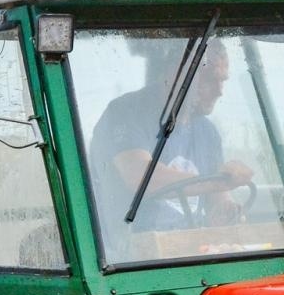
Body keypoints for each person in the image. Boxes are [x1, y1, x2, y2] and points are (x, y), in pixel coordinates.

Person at [88, 38, 253, 233]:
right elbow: (139, 176)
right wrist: (218, 181)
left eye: (222, 81)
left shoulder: (208, 133)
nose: (219, 92)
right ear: (178, 74)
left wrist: (227, 212)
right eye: (210, 80)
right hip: (129, 255)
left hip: (187, 249)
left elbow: (217, 200)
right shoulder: (126, 112)